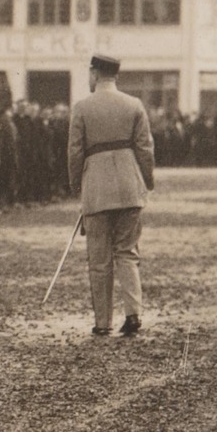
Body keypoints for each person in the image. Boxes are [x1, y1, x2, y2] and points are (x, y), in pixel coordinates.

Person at [67, 54, 155, 337]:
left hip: (96, 189)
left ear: (94, 74)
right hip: (130, 187)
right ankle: (134, 314)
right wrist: (147, 181)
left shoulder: (82, 107)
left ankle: (102, 322)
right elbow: (145, 149)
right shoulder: (134, 105)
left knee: (100, 260)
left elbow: (74, 152)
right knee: (128, 253)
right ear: (115, 76)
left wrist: (76, 185)